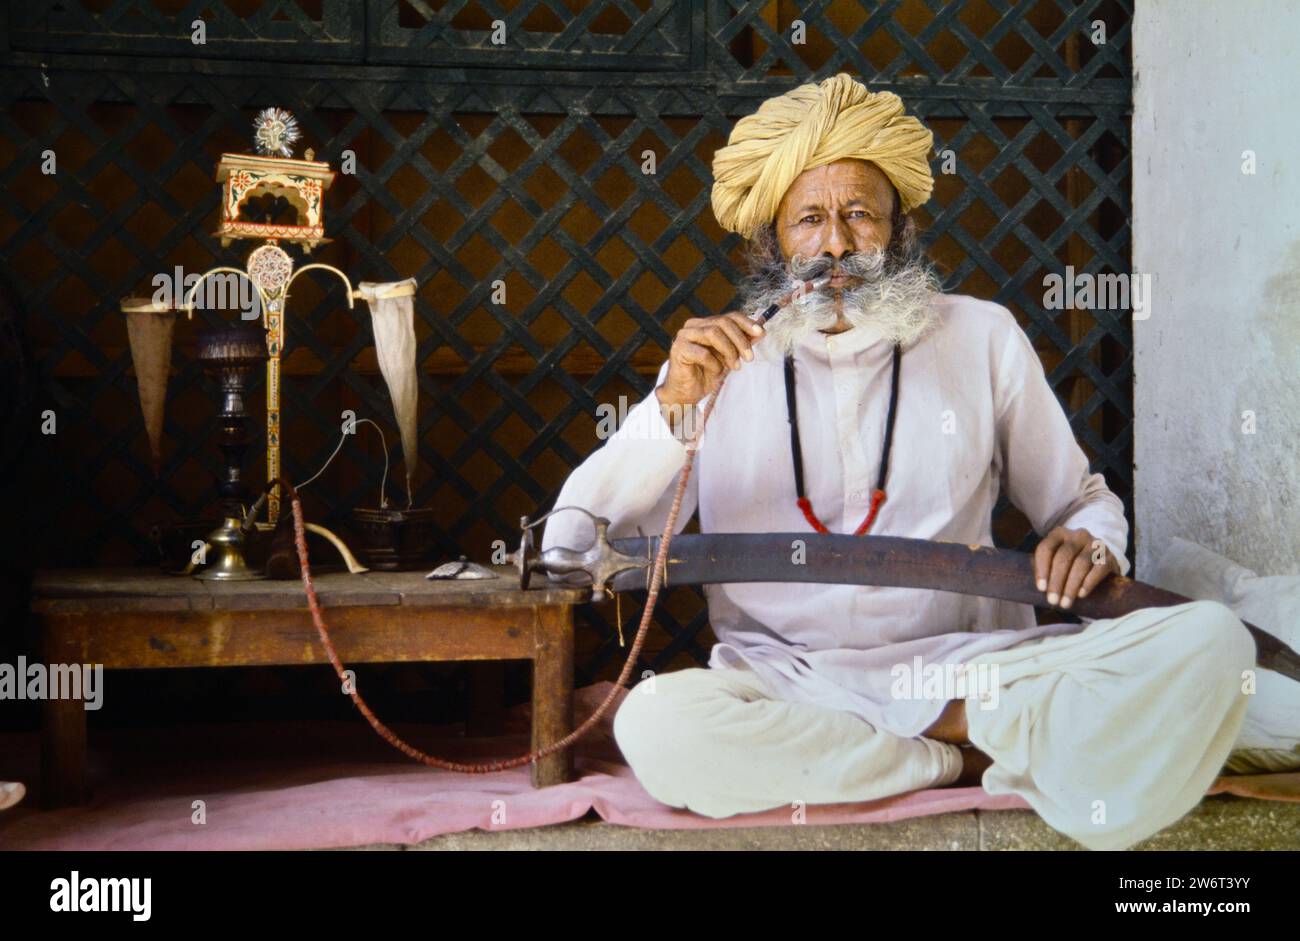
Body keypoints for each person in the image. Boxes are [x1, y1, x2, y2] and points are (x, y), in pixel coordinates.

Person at [542, 73, 1255, 850]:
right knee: (657, 725)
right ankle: (955, 761)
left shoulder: (982, 336)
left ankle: (941, 740)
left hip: (977, 675)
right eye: (809, 219)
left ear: (901, 232)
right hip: (790, 682)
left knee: (1213, 641)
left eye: (859, 216)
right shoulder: (715, 366)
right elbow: (573, 546)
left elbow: (1079, 502)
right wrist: (672, 410)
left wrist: (1090, 542)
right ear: (770, 242)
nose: (836, 245)